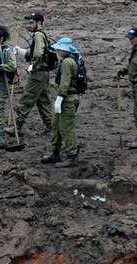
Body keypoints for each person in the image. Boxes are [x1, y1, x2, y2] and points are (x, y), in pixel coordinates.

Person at [7, 12, 54, 137]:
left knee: (27, 97)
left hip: (37, 73)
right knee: (42, 100)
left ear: (39, 23)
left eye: (31, 23)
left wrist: (34, 65)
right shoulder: (41, 35)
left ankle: (17, 127)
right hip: (43, 73)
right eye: (28, 23)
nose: (29, 25)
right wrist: (22, 52)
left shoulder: (38, 35)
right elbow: (36, 51)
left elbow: (38, 54)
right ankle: (51, 127)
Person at [42, 37, 80, 168]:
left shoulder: (67, 62)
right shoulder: (70, 59)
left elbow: (65, 82)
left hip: (67, 98)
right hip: (67, 97)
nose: (57, 50)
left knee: (66, 128)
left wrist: (60, 97)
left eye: (60, 48)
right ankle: (55, 153)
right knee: (57, 126)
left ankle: (71, 156)